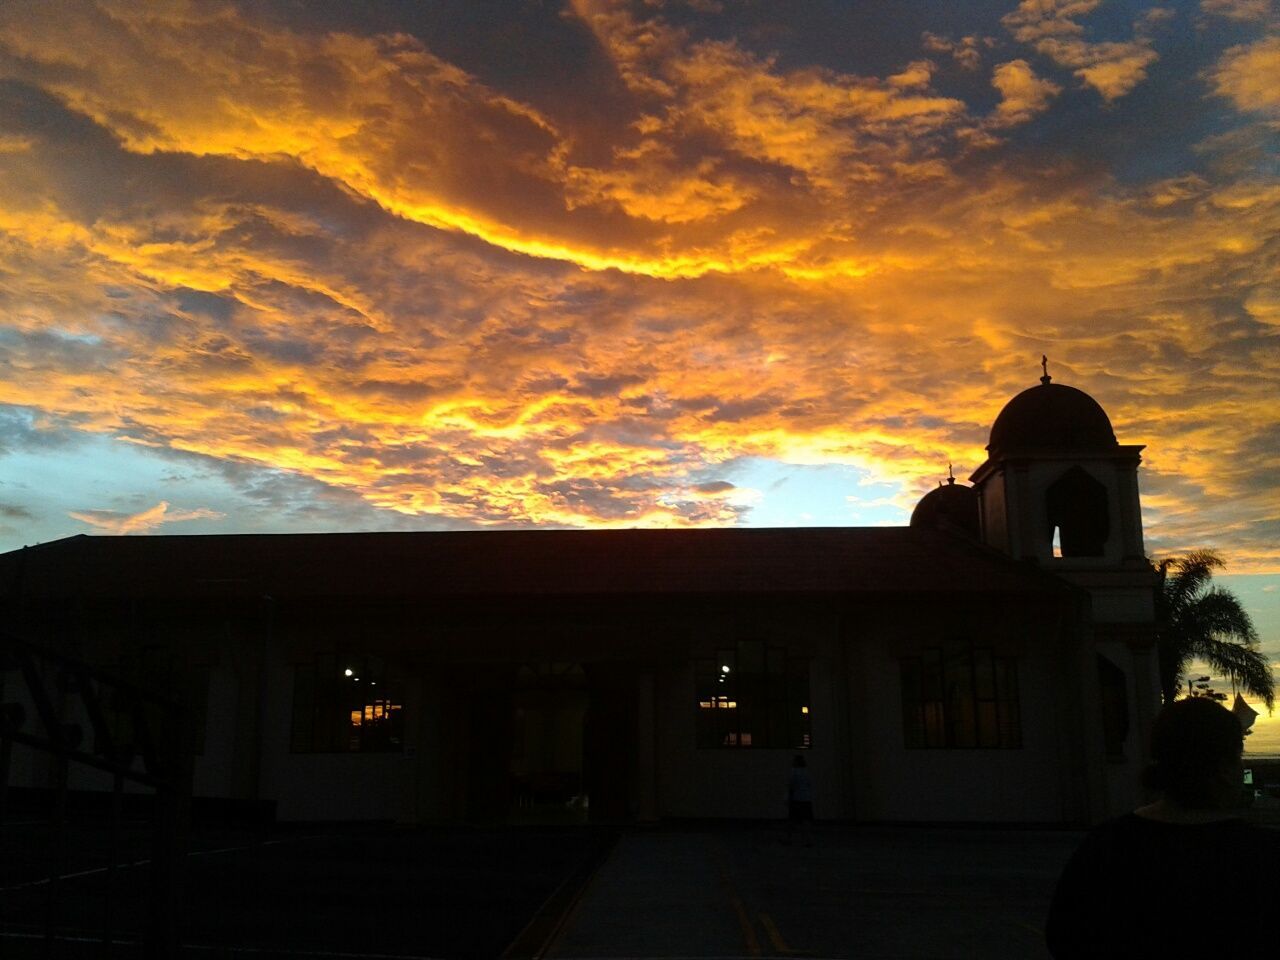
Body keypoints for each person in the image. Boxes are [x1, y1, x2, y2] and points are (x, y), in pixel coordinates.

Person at [1045, 697, 1277, 956]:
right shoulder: (1259, 856)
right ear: (1223, 768)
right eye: (1239, 756)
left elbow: (1064, 936)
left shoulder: (1107, 846)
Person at [785, 754, 813, 845]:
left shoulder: (794, 772)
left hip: (796, 799)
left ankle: (789, 839)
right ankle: (807, 840)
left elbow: (791, 786)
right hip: (806, 799)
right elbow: (809, 785)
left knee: (792, 821)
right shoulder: (807, 772)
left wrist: (789, 798)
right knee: (806, 821)